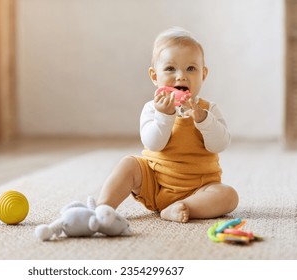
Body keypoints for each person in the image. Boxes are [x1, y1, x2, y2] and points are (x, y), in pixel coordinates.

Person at [97, 27, 238, 223]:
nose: (181, 76)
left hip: (198, 188)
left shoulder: (208, 109)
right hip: (155, 182)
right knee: (129, 163)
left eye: (191, 68)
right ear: (155, 76)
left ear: (203, 74)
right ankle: (102, 208)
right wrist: (165, 116)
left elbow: (220, 144)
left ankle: (182, 208)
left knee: (229, 196)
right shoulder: (152, 108)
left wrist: (203, 119)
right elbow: (154, 144)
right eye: (170, 68)